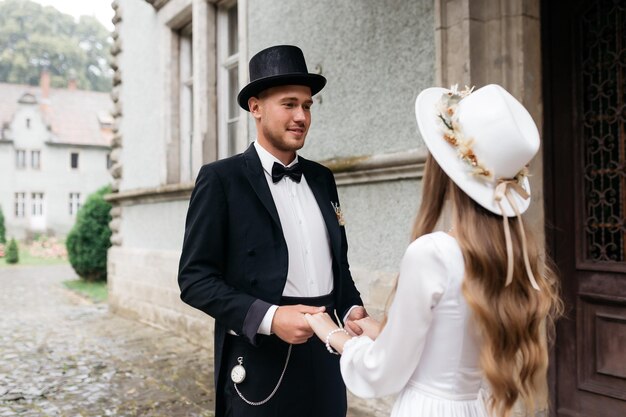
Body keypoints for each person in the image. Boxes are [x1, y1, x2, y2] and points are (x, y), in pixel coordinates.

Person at [305, 84, 563, 417]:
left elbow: (381, 372)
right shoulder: (515, 256)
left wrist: (334, 334)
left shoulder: (433, 253)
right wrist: (383, 332)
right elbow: (449, 342)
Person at [177, 44, 366, 417]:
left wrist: (353, 310)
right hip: (260, 363)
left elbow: (337, 266)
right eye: (289, 104)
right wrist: (270, 318)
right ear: (256, 107)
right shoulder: (221, 180)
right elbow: (194, 279)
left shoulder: (322, 178)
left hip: (329, 354)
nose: (301, 116)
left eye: (307, 106)